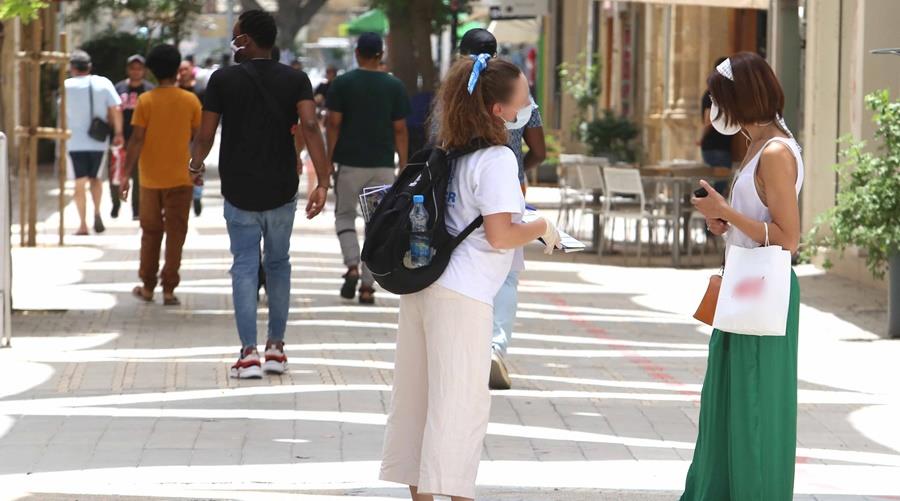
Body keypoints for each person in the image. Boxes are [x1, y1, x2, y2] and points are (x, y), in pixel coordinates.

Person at [379, 55, 560, 501]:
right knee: (460, 402)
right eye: (523, 98)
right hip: (464, 293)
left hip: (424, 282)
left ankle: (421, 495)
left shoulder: (449, 151)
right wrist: (544, 226)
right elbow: (501, 236)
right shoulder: (497, 158)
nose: (528, 106)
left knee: (417, 398)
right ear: (498, 110)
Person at [684, 52, 804, 501]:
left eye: (718, 98)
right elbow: (761, 220)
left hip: (762, 290)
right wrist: (725, 221)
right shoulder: (757, 144)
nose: (714, 109)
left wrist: (728, 212)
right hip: (745, 285)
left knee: (754, 406)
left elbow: (789, 238)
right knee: (728, 402)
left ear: (740, 99)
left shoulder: (774, 152)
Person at [189, 9, 331, 379]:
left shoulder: (223, 80)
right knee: (279, 264)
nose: (233, 43)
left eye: (236, 36)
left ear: (246, 40)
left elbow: (206, 134)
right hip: (282, 186)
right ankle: (276, 349)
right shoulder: (296, 79)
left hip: (239, 188)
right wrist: (323, 180)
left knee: (244, 266)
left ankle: (248, 353)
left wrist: (195, 164)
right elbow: (310, 124)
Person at [459, 28, 547, 390]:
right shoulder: (518, 94)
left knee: (464, 263)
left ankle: (466, 347)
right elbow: (539, 151)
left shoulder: (457, 95)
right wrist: (517, 171)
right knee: (507, 274)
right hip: (509, 192)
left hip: (463, 190)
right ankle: (495, 346)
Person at [326, 32, 410, 305]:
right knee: (376, 225)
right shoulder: (394, 86)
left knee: (344, 216)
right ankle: (367, 286)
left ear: (357, 54)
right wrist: (404, 163)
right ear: (380, 55)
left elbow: (333, 123)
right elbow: (400, 129)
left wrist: (327, 159)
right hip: (382, 166)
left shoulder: (342, 84)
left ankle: (351, 264)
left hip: (350, 164)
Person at [118, 44, 201, 307]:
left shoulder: (145, 101)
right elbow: (199, 139)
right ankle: (169, 289)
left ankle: (147, 286)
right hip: (182, 178)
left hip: (149, 179)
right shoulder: (190, 101)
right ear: (178, 70)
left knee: (150, 233)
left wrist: (125, 175)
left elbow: (136, 140)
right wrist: (197, 168)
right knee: (176, 234)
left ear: (151, 72)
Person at [64, 49, 123, 235]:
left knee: (79, 182)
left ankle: (83, 225)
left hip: (73, 141)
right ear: (89, 67)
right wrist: (118, 132)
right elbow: (116, 108)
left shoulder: (65, 86)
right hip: (98, 140)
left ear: (72, 68)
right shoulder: (103, 83)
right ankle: (97, 212)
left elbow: (61, 114)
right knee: (95, 179)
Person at [112, 54, 154, 220]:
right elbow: (112, 111)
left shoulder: (150, 89)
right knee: (116, 174)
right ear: (127, 69)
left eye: (139, 68)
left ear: (144, 71)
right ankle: (115, 205)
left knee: (138, 176)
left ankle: (137, 210)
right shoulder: (118, 88)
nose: (136, 71)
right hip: (120, 139)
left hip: (142, 140)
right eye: (133, 68)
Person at [701, 57, 734, 195]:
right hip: (717, 146)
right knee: (718, 187)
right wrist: (702, 137)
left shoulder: (716, 93)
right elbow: (709, 120)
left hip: (719, 146)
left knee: (718, 186)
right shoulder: (715, 93)